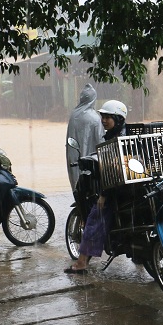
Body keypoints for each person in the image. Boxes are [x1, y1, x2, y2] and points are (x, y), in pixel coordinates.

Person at [65, 100, 127, 274]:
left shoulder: (117, 139)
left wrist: (103, 194)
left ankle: (82, 262)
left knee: (95, 217)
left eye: (108, 117)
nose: (104, 120)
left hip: (116, 190)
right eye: (103, 116)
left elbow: (114, 172)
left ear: (118, 119)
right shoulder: (121, 135)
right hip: (127, 187)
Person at [66, 83, 104, 196]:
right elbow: (101, 142)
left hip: (73, 158)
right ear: (93, 99)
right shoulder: (95, 118)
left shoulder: (73, 115)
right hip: (90, 161)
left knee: (77, 186)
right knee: (91, 188)